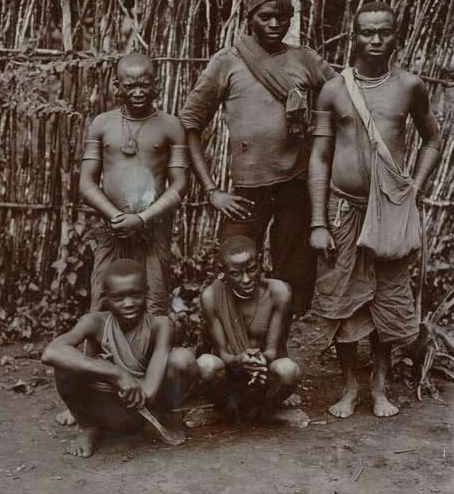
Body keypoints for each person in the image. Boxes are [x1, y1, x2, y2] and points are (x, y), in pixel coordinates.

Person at [308, 1, 441, 419]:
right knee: (341, 296)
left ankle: (379, 385)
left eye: (384, 32)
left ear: (395, 37)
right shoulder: (333, 90)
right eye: (367, 32)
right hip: (343, 210)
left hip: (390, 210)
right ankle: (350, 386)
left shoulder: (409, 86)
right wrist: (318, 221)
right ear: (355, 36)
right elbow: (320, 157)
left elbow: (431, 140)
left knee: (387, 295)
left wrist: (413, 188)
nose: (376, 40)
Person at [180, 0, 337, 313]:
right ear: (249, 17)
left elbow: (343, 99)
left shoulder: (305, 60)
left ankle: (275, 350)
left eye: (282, 16)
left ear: (291, 18)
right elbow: (189, 124)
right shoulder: (227, 62)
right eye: (265, 16)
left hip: (295, 188)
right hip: (245, 194)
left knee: (293, 280)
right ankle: (230, 352)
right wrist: (212, 191)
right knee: (234, 270)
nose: (274, 24)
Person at [42, 259, 198, 457]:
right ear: (106, 297)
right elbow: (51, 352)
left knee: (183, 358)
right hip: (102, 406)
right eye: (118, 298)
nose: (129, 304)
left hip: (143, 405)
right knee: (63, 364)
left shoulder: (161, 325)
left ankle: (158, 420)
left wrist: (121, 379)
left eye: (135, 295)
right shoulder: (95, 322)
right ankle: (89, 427)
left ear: (146, 291)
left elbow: (148, 391)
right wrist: (115, 373)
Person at [80, 51, 189, 316]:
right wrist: (116, 216)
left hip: (154, 229)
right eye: (130, 86)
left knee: (155, 301)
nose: (138, 92)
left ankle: (150, 356)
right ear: (117, 87)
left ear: (157, 84)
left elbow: (180, 185)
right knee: (103, 299)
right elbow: (86, 183)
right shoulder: (101, 124)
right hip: (112, 227)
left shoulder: (171, 126)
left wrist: (142, 219)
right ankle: (99, 357)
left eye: (144, 84)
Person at [197, 235, 301, 421]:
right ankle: (226, 408)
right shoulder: (211, 296)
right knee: (205, 364)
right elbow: (222, 353)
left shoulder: (278, 292)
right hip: (230, 373)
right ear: (223, 272)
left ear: (260, 262)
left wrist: (260, 359)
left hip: (264, 372)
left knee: (289, 370)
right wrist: (239, 360)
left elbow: (272, 350)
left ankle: (265, 409)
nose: (246, 279)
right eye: (236, 273)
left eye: (252, 270)